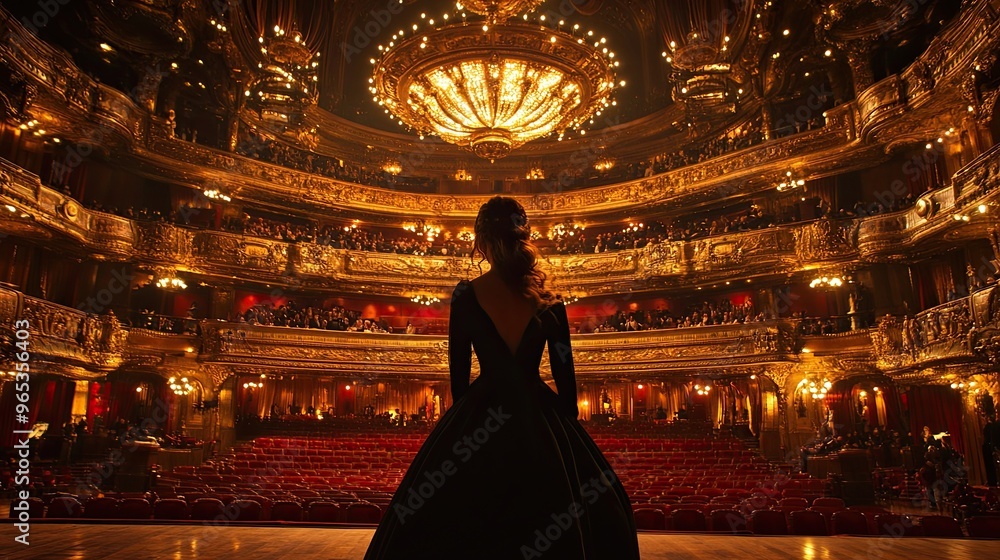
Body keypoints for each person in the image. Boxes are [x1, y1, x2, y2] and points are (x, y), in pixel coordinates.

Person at [365, 196, 639, 559]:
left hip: (479, 413)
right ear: (522, 238)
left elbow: (458, 371)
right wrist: (561, 427)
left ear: (481, 242)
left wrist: (461, 422)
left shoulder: (466, 295)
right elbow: (565, 375)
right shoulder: (551, 300)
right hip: (541, 415)